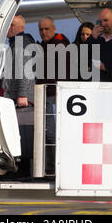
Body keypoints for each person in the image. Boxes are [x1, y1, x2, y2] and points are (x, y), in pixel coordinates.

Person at [0, 15, 36, 181]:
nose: (8, 28)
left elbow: (25, 72)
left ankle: (22, 170)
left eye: (12, 25)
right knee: (18, 133)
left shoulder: (21, 43)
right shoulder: (16, 43)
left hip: (20, 98)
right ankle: (19, 169)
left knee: (21, 134)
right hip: (15, 96)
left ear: (21, 28)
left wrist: (22, 94)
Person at [36, 17, 71, 175]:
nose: (44, 32)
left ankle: (56, 167)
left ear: (54, 29)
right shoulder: (45, 46)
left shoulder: (60, 47)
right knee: (47, 133)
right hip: (45, 95)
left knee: (52, 133)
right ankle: (50, 166)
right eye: (41, 29)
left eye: (47, 29)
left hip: (55, 96)